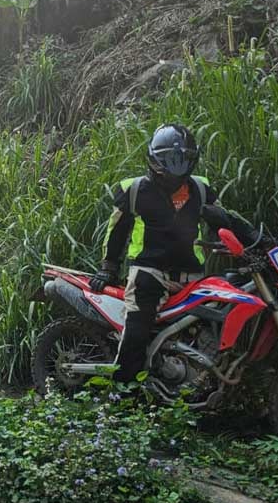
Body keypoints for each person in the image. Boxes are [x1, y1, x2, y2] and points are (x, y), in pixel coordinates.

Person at [91, 124, 231, 383]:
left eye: (182, 159)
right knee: (137, 329)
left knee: (218, 323)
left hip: (194, 277)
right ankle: (123, 393)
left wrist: (249, 242)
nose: (174, 168)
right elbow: (117, 231)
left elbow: (224, 222)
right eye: (168, 161)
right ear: (154, 160)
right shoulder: (133, 190)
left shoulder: (201, 190)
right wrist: (108, 267)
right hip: (149, 272)